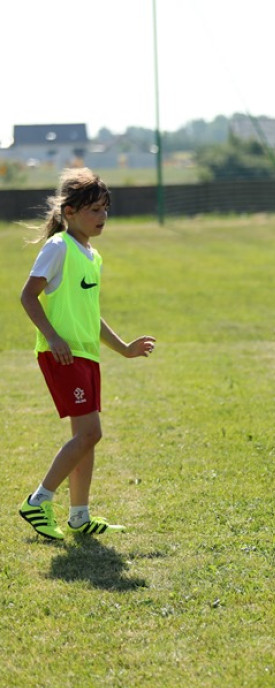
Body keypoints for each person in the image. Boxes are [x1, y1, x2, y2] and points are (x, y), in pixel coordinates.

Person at [18, 168, 156, 541]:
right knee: (91, 433)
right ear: (70, 211)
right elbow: (28, 296)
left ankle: (79, 516)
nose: (102, 216)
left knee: (86, 437)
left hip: (86, 355)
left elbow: (91, 315)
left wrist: (124, 348)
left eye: (105, 209)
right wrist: (53, 338)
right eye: (94, 210)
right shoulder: (59, 247)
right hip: (62, 355)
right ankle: (38, 501)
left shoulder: (92, 256)